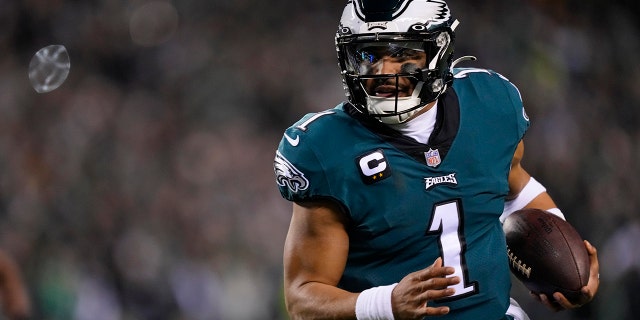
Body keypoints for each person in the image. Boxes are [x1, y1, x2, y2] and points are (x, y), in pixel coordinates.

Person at [273, 0, 599, 319]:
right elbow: (303, 296)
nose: (382, 71)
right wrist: (384, 304)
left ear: (438, 50)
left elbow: (518, 190)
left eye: (402, 54)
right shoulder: (325, 149)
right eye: (369, 54)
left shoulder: (488, 105)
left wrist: (566, 262)